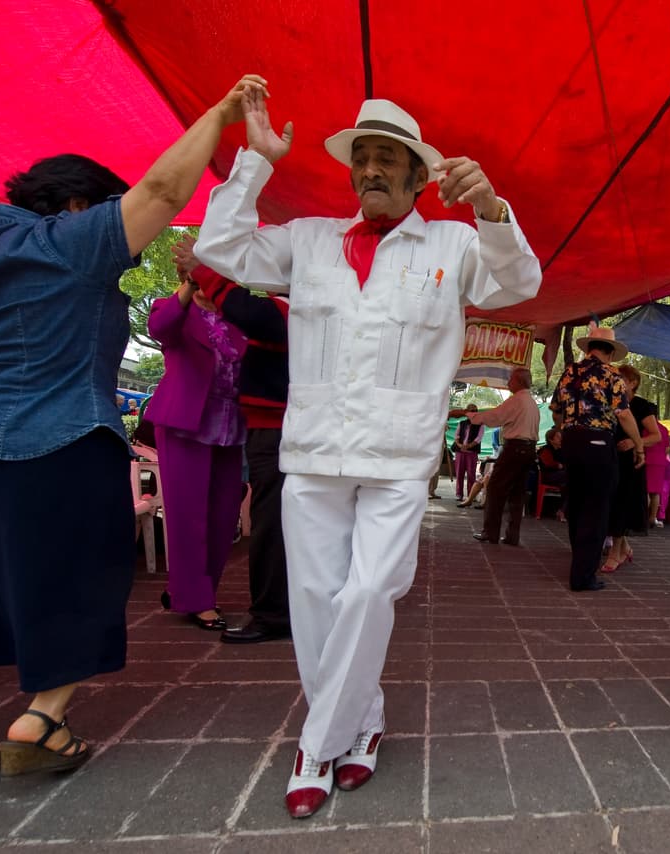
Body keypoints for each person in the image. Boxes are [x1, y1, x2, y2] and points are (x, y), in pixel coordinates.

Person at [0, 74, 271, 806]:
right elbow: (159, 192)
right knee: (69, 579)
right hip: (57, 443)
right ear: (76, 206)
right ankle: (40, 722)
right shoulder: (72, 241)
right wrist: (220, 116)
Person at [194, 94, 542, 819]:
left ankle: (316, 745)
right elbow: (219, 250)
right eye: (363, 159)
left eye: (388, 159)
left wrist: (492, 211)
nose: (372, 170)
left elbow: (518, 284)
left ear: (420, 177)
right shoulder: (310, 239)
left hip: (398, 455)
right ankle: (365, 723)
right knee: (316, 599)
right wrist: (255, 159)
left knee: (367, 592)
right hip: (315, 451)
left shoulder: (452, 246)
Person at [173, 237, 294, 645]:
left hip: (273, 429)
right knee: (266, 520)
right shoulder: (284, 310)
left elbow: (256, 317)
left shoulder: (290, 308)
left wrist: (206, 270)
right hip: (253, 427)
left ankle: (274, 614)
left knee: (270, 523)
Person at [144, 265, 248, 631]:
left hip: (229, 428)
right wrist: (189, 287)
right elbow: (159, 328)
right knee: (187, 515)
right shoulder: (174, 309)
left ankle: (192, 591)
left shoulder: (235, 319)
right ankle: (198, 600)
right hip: (183, 424)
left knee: (222, 516)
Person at [549, 326, 644, 592]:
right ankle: (583, 576)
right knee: (596, 508)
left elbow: (556, 410)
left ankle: (579, 565)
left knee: (577, 505)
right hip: (598, 444)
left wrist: (563, 429)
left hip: (571, 443)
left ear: (589, 347)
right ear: (610, 353)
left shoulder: (570, 372)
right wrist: (639, 446)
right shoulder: (610, 374)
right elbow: (623, 414)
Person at [462, 367, 540, 545]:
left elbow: (494, 417)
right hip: (529, 450)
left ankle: (490, 532)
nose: (508, 382)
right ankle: (512, 535)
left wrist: (472, 416)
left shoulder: (517, 400)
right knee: (517, 493)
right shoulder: (531, 403)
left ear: (519, 381)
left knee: (496, 489)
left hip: (514, 448)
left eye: (511, 379)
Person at [603, 364, 659, 572]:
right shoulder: (610, 402)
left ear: (632, 383)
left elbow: (656, 435)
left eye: (620, 379)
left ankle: (614, 553)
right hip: (610, 458)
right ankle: (624, 547)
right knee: (612, 503)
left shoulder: (642, 406)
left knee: (621, 504)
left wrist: (636, 443)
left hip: (630, 462)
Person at [452, 405, 484, 502]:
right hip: (460, 452)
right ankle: (459, 494)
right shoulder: (461, 423)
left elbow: (478, 438)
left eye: (475, 410)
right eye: (471, 410)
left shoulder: (481, 424)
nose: (473, 412)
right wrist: (460, 444)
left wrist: (469, 446)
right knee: (459, 473)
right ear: (467, 412)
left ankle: (471, 495)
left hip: (472, 452)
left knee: (471, 474)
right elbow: (456, 436)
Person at [645, 420, 670, 529]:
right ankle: (652, 518)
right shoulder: (664, 429)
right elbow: (667, 448)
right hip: (660, 462)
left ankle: (643, 518)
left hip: (647, 460)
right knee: (655, 492)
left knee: (645, 490)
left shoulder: (645, 427)